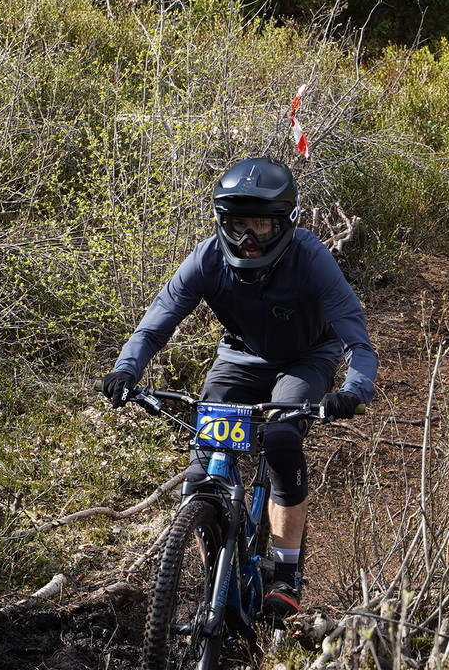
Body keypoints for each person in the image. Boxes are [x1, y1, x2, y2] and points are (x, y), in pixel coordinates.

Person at [101, 157, 378, 621]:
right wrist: (125, 371)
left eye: (261, 226)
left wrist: (354, 390)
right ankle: (217, 572)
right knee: (201, 472)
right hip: (240, 358)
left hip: (307, 359)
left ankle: (285, 573)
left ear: (285, 223)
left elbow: (358, 341)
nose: (249, 239)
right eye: (238, 225)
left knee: (281, 439)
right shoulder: (207, 258)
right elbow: (153, 327)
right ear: (221, 222)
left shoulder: (311, 258)